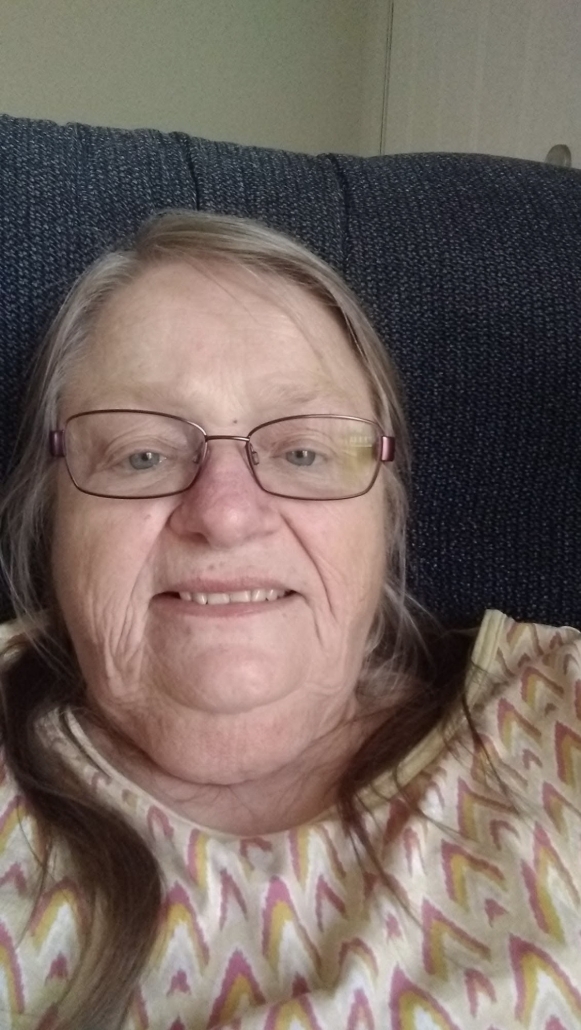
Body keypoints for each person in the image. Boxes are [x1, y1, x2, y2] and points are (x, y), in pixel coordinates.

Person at [0, 211, 579, 1030]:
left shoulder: (556, 710)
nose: (225, 515)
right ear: (50, 516)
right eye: (142, 454)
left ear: (386, 515)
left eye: (303, 452)